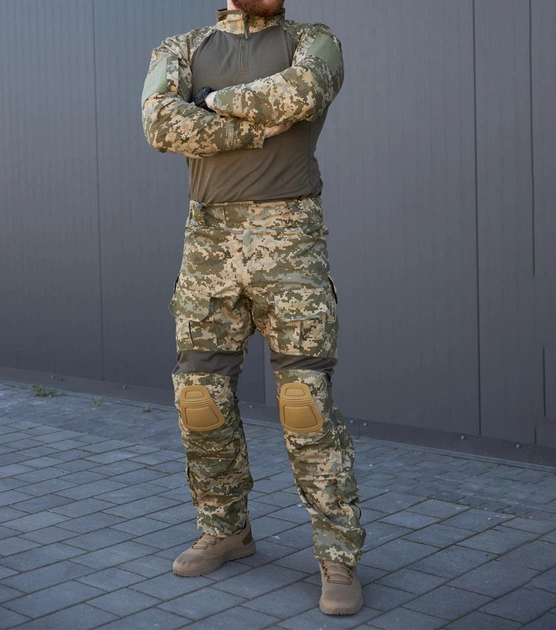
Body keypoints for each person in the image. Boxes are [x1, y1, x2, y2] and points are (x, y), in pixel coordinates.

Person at [142, 0, 365, 616]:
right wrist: (249, 128)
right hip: (208, 244)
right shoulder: (181, 49)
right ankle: (225, 529)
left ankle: (338, 554)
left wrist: (210, 102)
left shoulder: (314, 40)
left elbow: (299, 94)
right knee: (199, 398)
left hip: (289, 242)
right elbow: (160, 125)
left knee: (304, 403)